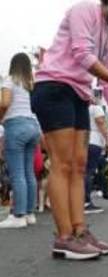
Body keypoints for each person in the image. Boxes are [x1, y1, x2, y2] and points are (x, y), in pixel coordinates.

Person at [31, 0, 108, 260]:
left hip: (79, 95)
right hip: (54, 87)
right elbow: (83, 54)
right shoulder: (83, 10)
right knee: (62, 164)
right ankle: (64, 238)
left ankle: (80, 232)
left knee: (79, 166)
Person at [0, 53, 42, 229]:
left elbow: (4, 103)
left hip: (15, 126)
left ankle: (18, 215)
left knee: (17, 173)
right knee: (28, 172)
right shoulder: (28, 85)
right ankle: (30, 213)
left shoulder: (9, 80)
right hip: (32, 127)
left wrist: (1, 118)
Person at [84, 88, 108, 214]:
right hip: (94, 141)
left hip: (80, 141)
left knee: (80, 172)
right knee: (89, 172)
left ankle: (77, 200)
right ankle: (86, 202)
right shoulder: (96, 108)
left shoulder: (80, 109)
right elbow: (101, 123)